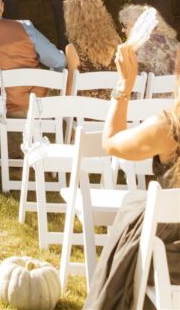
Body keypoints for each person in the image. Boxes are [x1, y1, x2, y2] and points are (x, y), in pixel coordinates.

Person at [83, 45, 180, 310]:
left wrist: (124, 85)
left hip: (168, 264)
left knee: (137, 216)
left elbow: (111, 142)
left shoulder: (168, 129)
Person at [63, 0, 120, 98]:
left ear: (72, 17)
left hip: (86, 112)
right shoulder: (116, 42)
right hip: (114, 109)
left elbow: (70, 92)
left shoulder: (73, 49)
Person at [119, 3, 179, 77]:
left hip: (154, 87)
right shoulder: (170, 40)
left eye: (124, 25)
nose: (122, 30)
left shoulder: (136, 49)